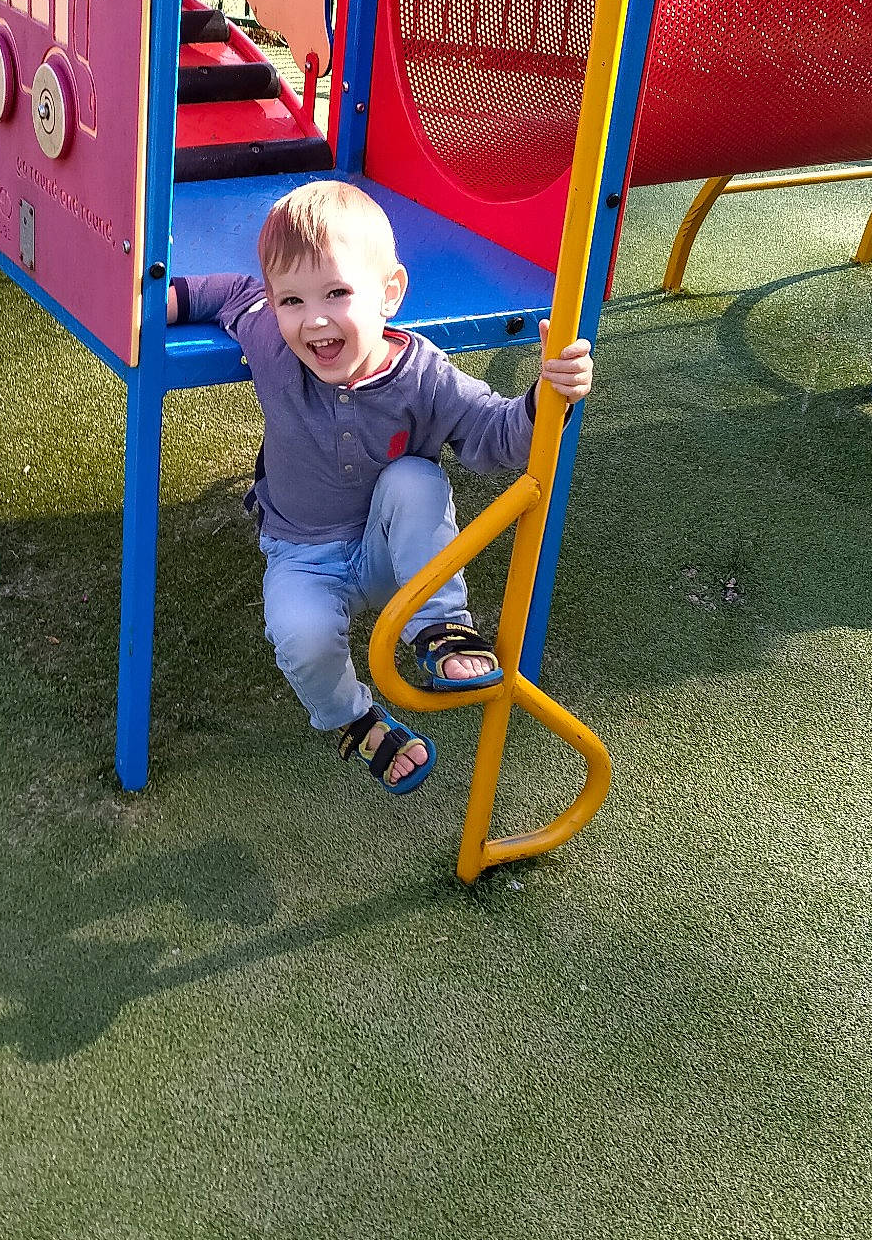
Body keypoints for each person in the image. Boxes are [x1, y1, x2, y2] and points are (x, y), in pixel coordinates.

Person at [166, 181, 595, 793]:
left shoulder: (422, 375)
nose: (313, 320)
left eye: (337, 293)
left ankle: (438, 625)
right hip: (300, 553)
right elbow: (234, 292)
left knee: (414, 478)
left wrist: (546, 400)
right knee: (300, 637)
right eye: (292, 300)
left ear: (390, 292)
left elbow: (493, 437)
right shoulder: (273, 342)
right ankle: (354, 719)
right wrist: (159, 300)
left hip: (388, 551)